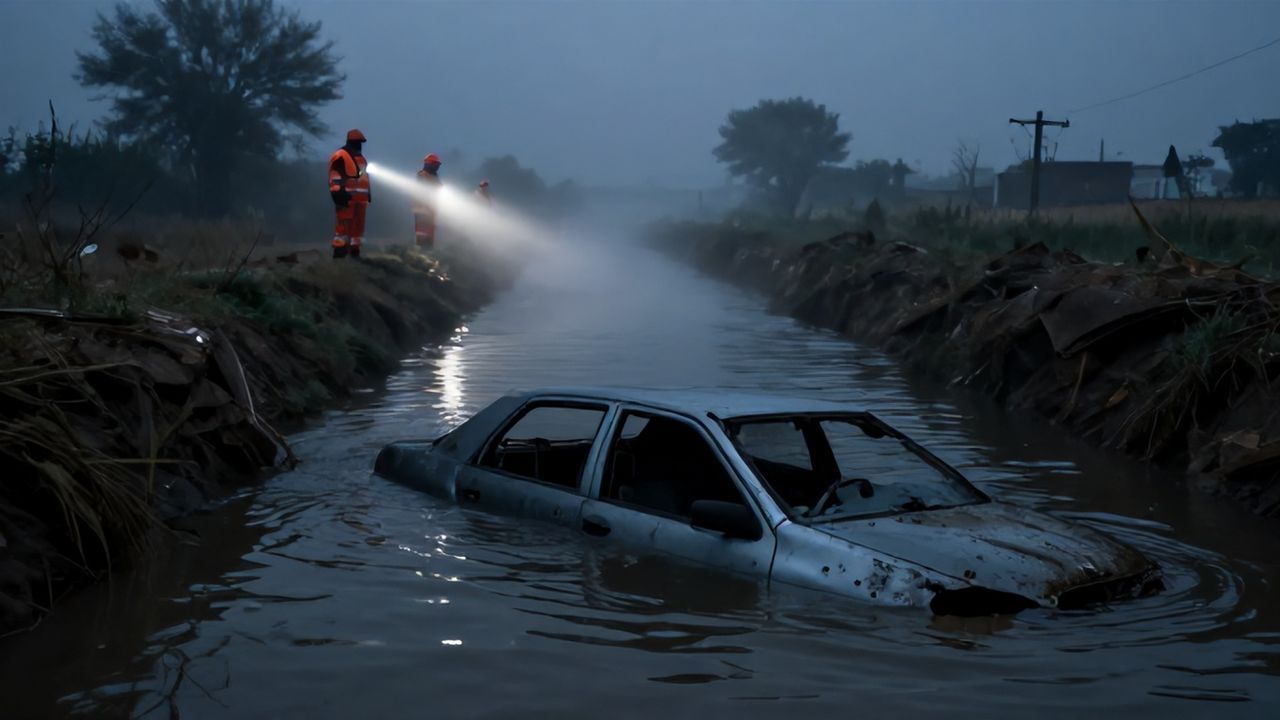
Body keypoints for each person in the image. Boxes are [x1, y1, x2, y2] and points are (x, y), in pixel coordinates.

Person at [328, 129, 371, 259]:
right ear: (352, 142)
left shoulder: (362, 159)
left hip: (360, 200)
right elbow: (334, 175)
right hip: (346, 198)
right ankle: (339, 252)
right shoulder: (341, 155)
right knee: (343, 226)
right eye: (358, 143)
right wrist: (338, 193)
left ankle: (355, 252)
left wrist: (368, 195)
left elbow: (364, 178)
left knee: (357, 228)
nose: (360, 146)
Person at [414, 153, 442, 249]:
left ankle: (428, 248)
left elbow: (439, 188)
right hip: (422, 207)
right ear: (430, 164)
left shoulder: (435, 176)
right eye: (435, 164)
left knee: (430, 228)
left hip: (431, 207)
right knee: (422, 228)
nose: (437, 166)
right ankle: (419, 247)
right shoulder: (422, 175)